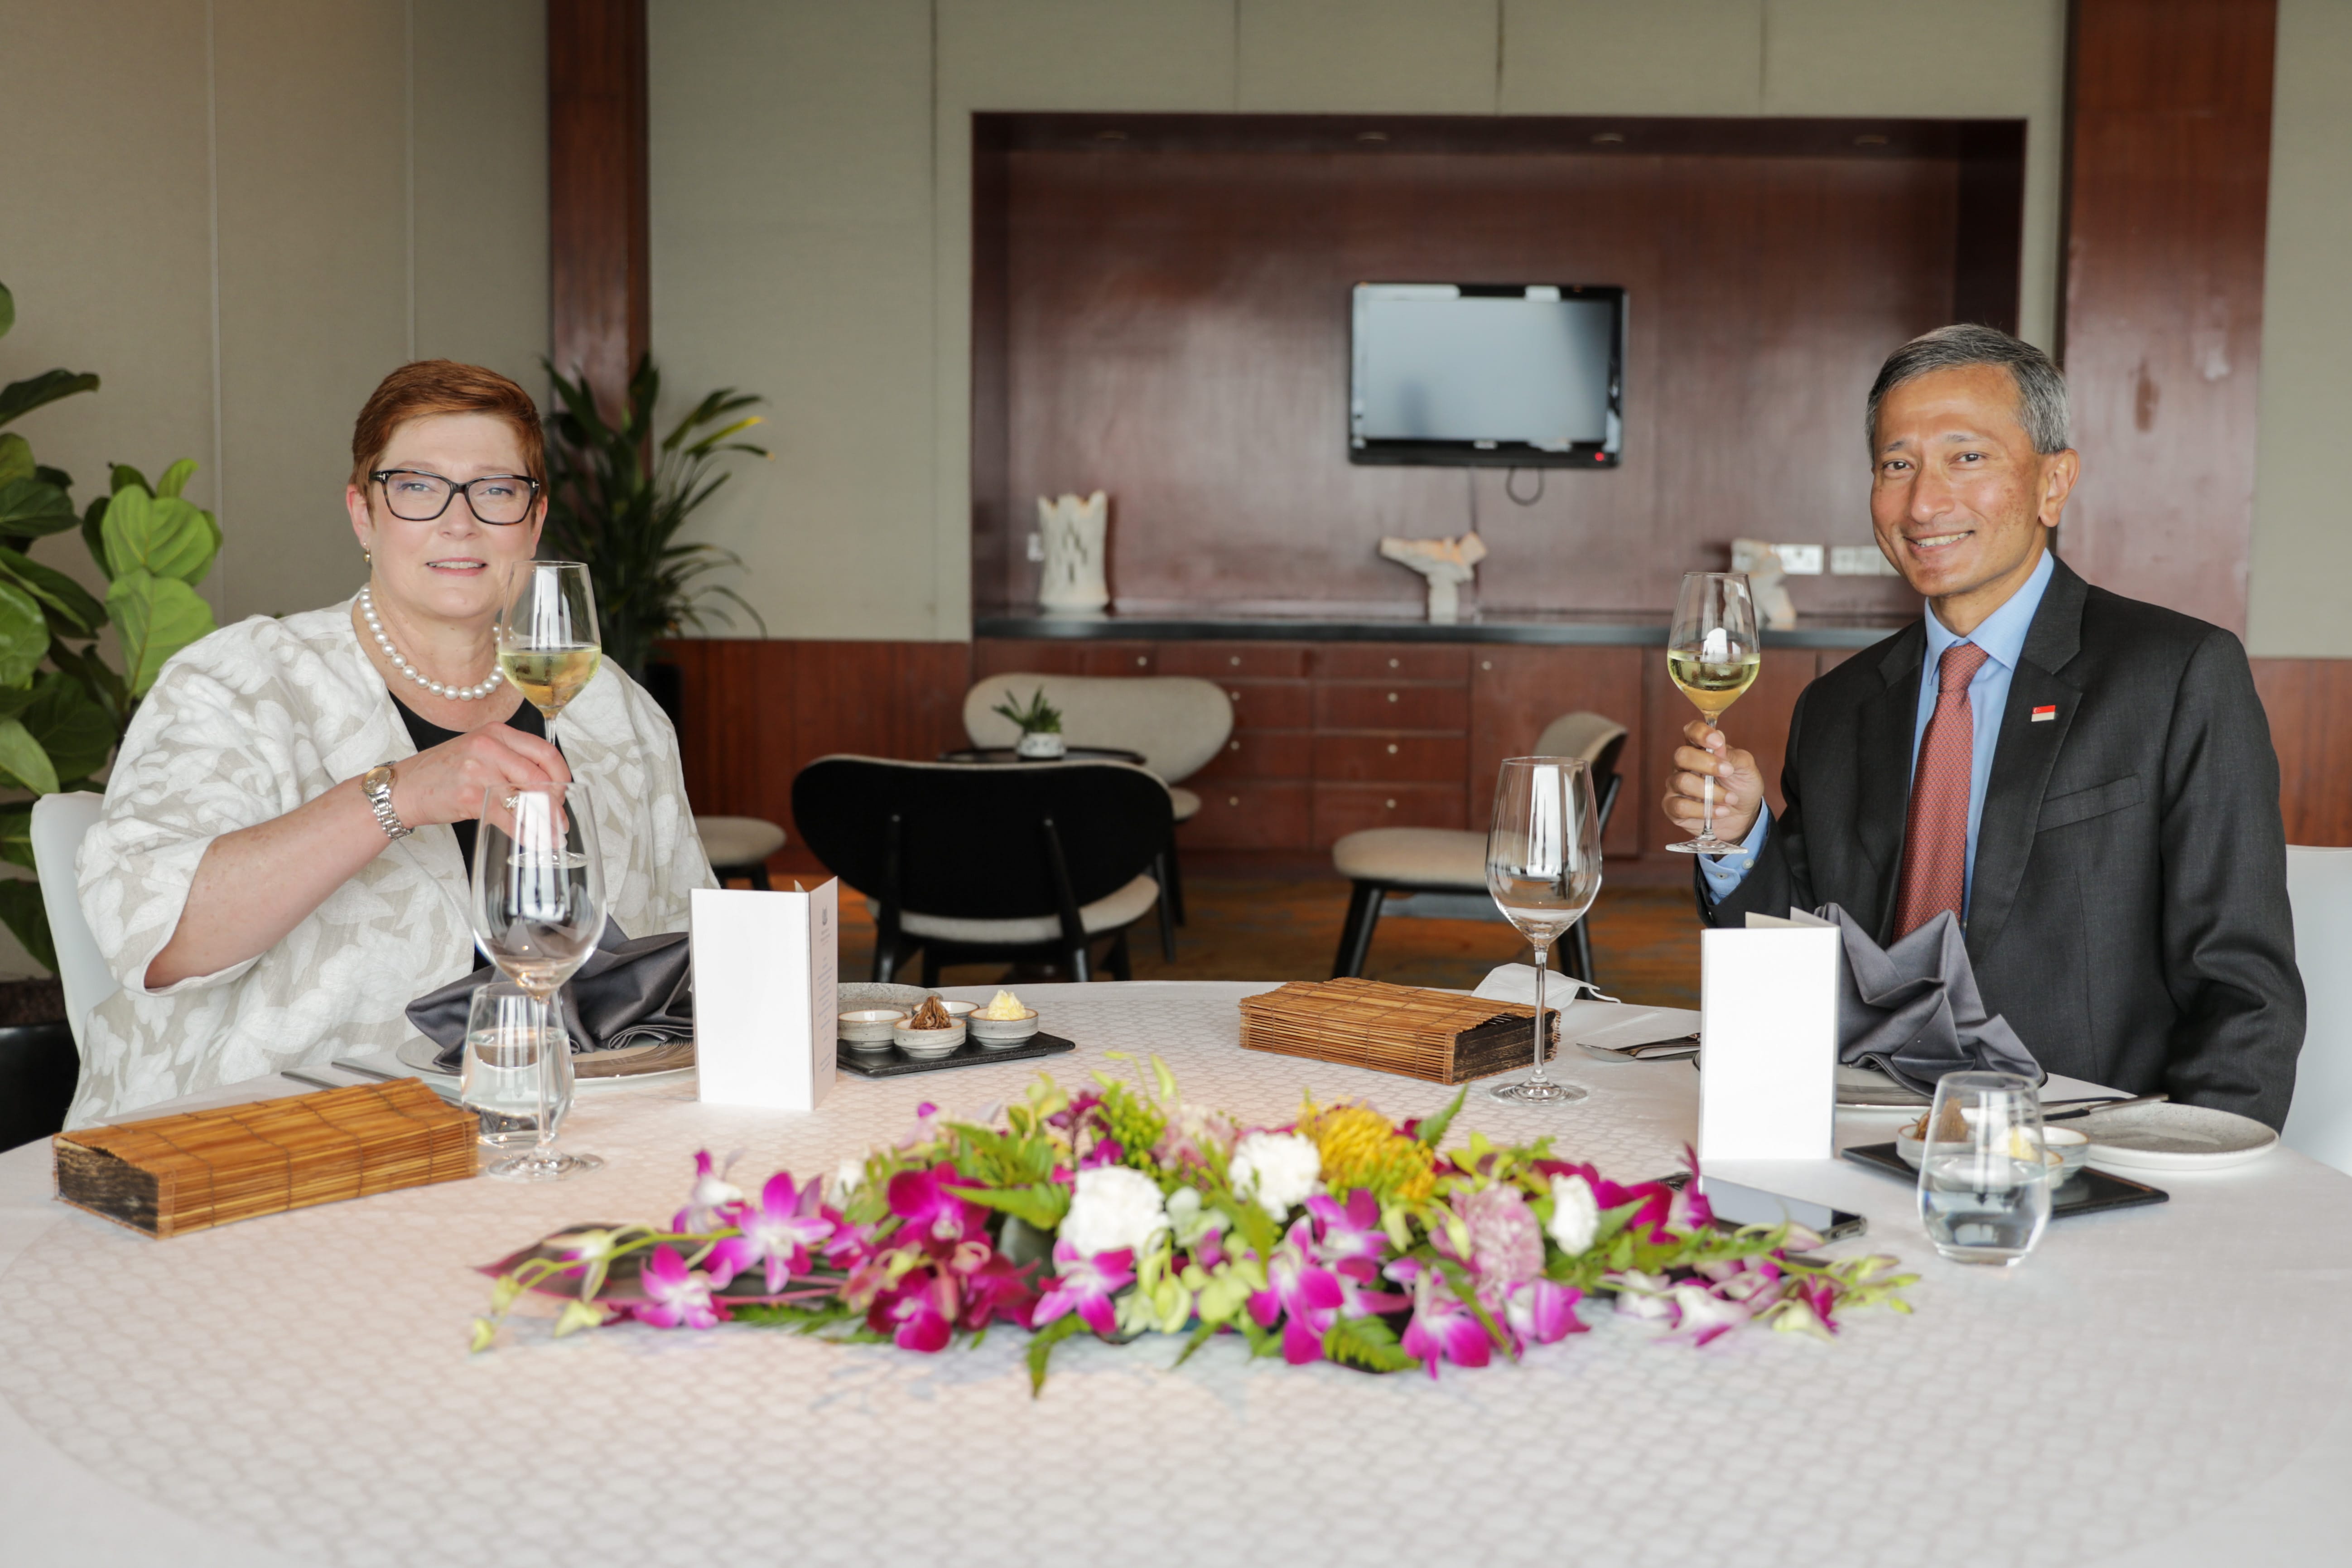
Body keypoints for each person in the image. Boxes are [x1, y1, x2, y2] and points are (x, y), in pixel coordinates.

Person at [1662, 325, 2303, 1128]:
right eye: (1898, 465)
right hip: (1861, 1126)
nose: (1924, 502)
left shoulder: (2177, 674)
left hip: (2083, 1146)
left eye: (1967, 458)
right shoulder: (1839, 704)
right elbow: (1795, 956)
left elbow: (2243, 985)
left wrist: (2199, 1179)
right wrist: (1738, 837)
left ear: (2053, 483)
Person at [69, 361, 713, 1124]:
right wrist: (401, 794)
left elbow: (691, 954)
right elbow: (154, 936)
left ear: (534, 521)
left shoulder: (611, 708)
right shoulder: (238, 684)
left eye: (497, 490)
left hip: (567, 1133)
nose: (459, 521)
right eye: (416, 486)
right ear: (363, 515)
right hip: (269, 1149)